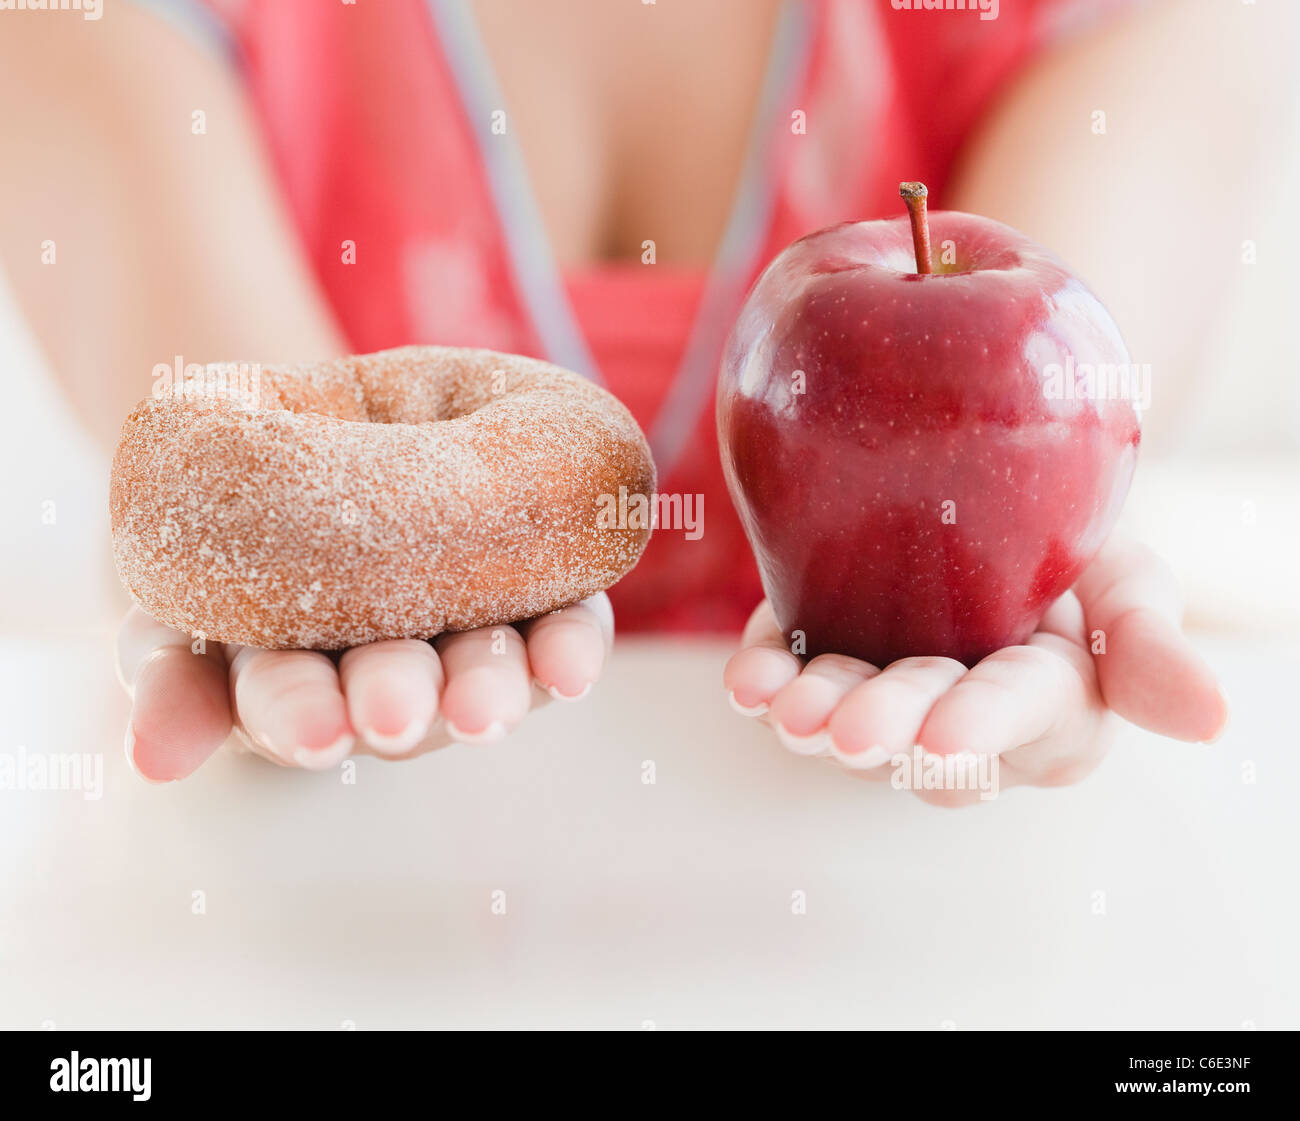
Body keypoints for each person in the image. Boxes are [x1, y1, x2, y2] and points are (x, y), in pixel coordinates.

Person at [3, 0, 1276, 798]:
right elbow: (252, 483)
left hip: (896, 923)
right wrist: (267, 608)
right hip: (343, 921)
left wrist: (1019, 581)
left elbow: (1036, 413)